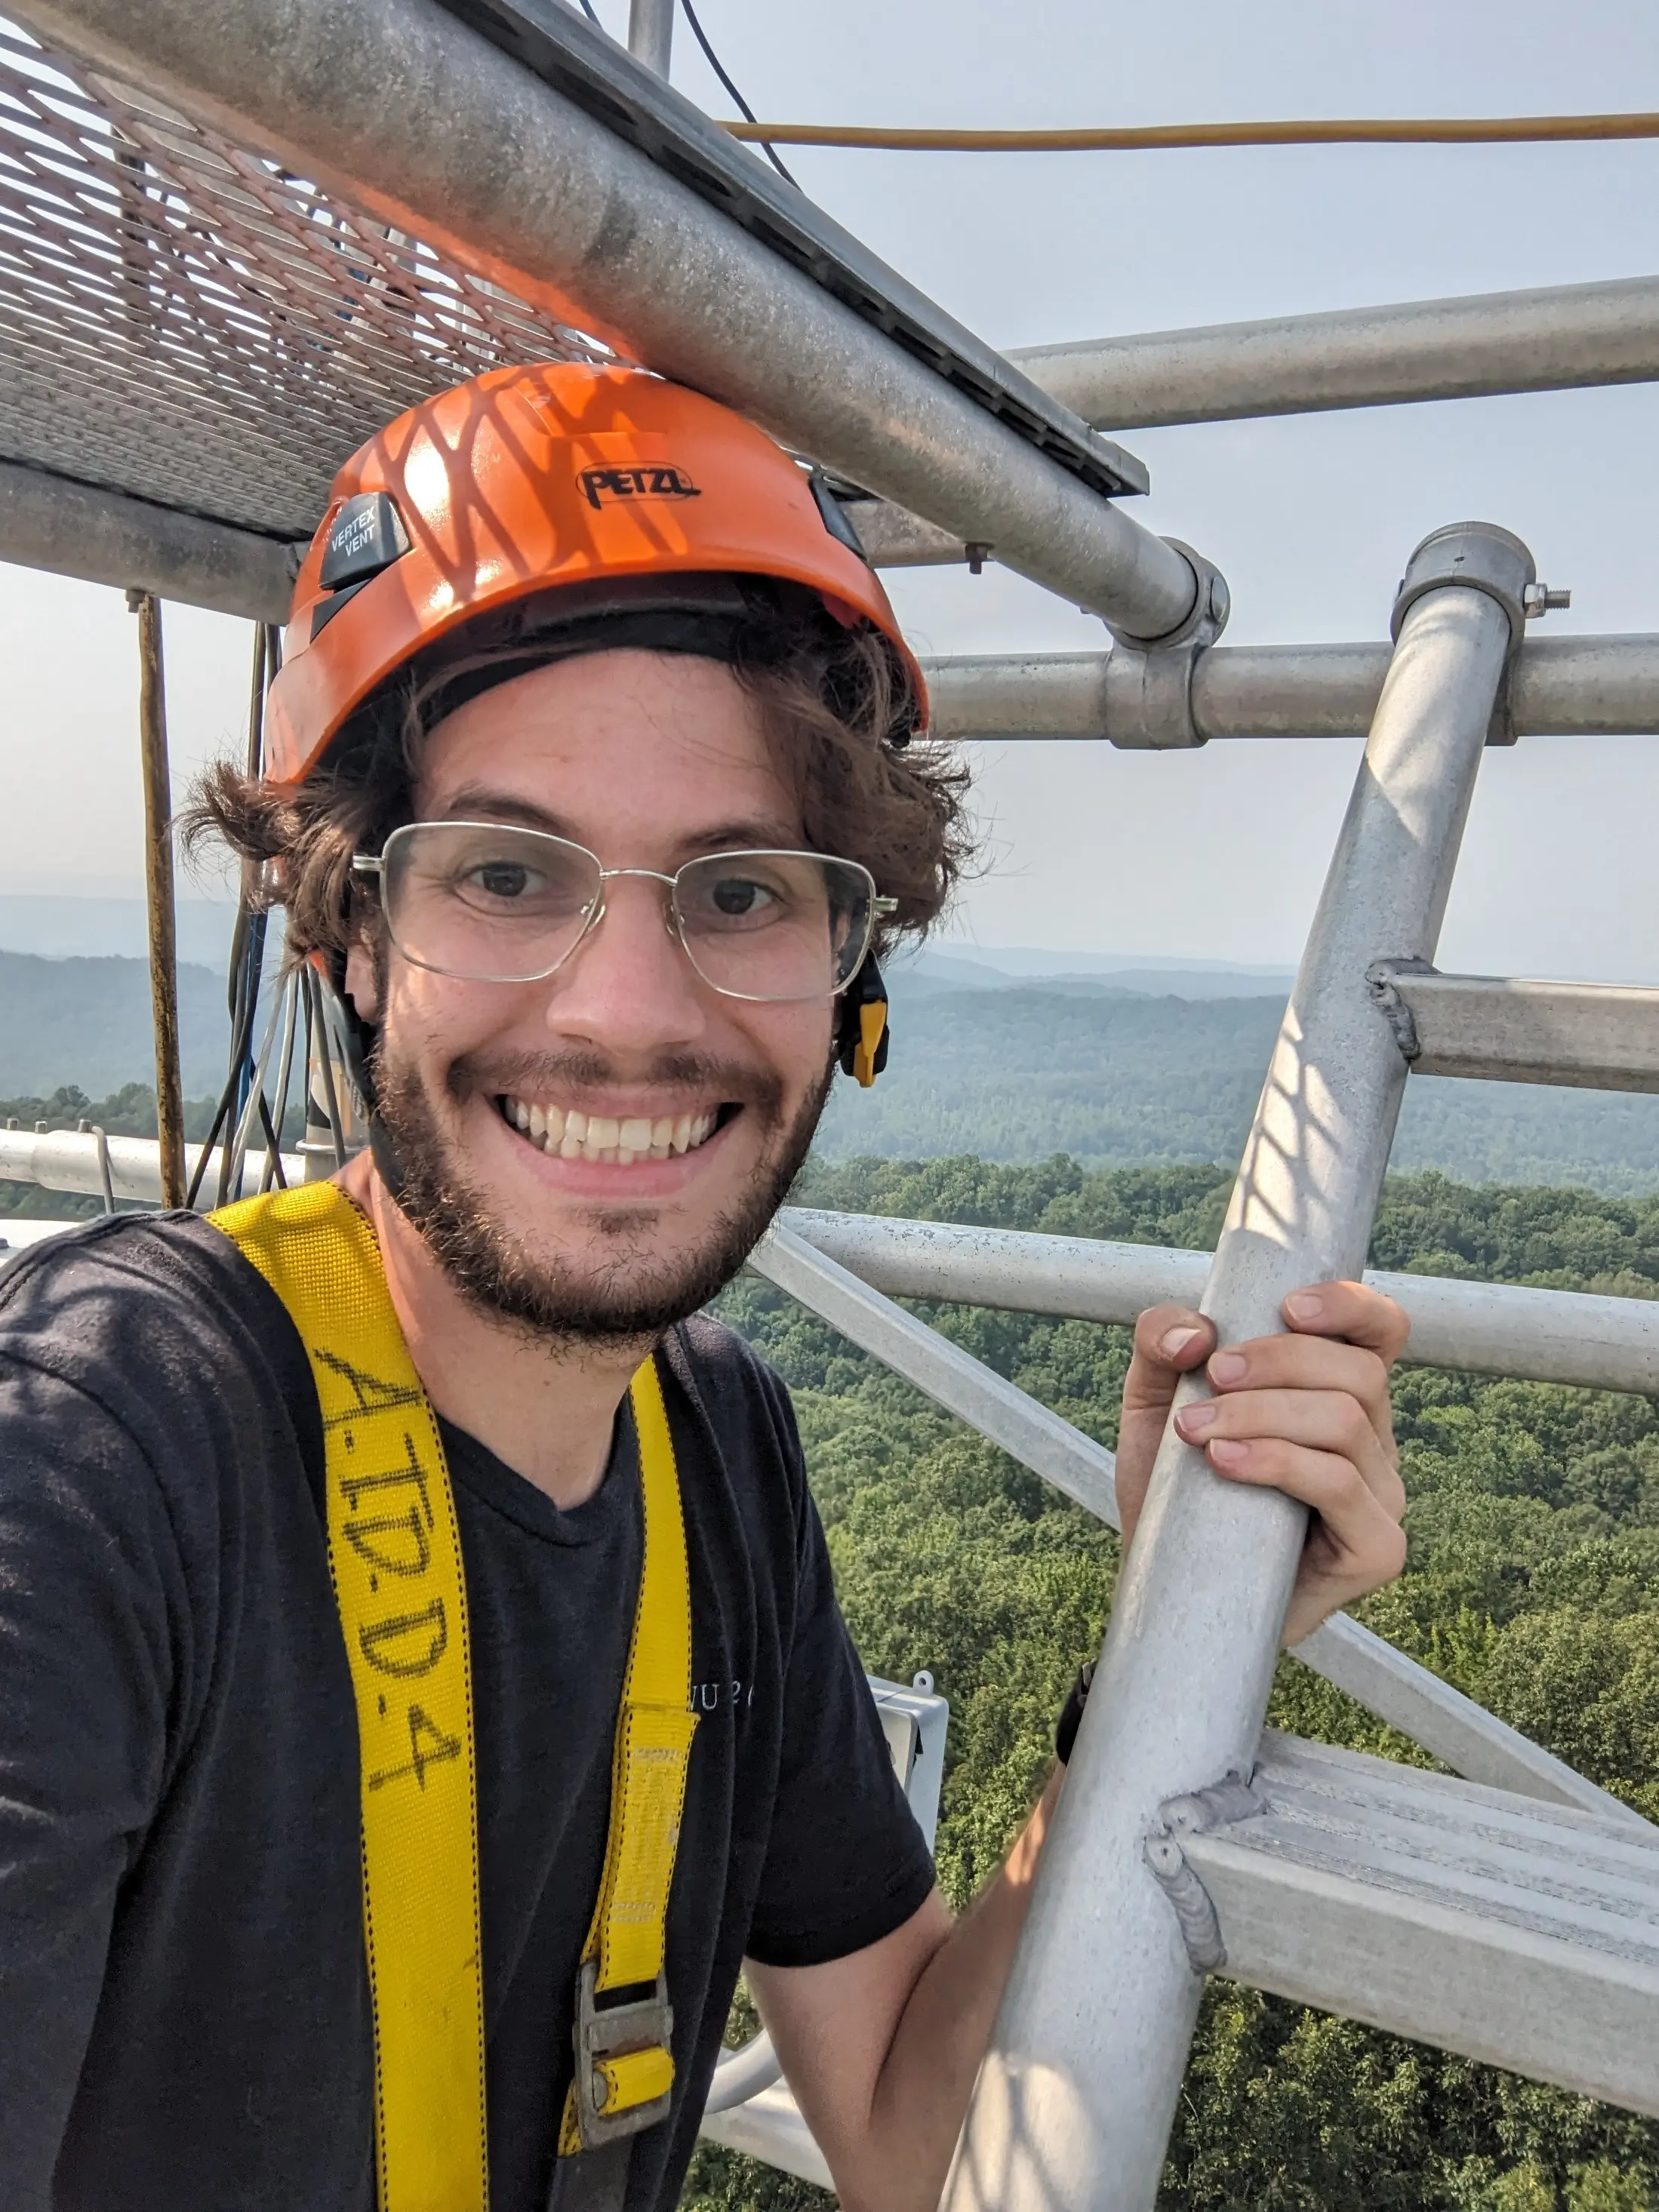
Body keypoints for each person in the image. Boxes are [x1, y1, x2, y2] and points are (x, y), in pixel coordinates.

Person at [0, 362, 1408, 2212]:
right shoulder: (101, 1464)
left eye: (740, 890)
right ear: (348, 935)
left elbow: (913, 2135)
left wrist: (1174, 1632)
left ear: (850, 971)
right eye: (507, 872)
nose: (627, 1013)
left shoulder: (714, 1448)